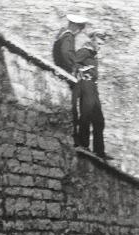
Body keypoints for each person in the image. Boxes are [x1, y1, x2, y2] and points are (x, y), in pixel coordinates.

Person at [52, 13, 88, 146]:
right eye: (79, 29)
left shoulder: (61, 35)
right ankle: (75, 139)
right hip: (67, 76)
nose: (79, 32)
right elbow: (67, 54)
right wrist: (75, 68)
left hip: (63, 73)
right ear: (75, 27)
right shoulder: (68, 37)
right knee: (74, 107)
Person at [74, 31, 108, 160]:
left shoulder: (93, 54)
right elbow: (73, 63)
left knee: (99, 120)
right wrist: (83, 71)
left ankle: (100, 152)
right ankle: (83, 144)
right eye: (98, 43)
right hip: (86, 85)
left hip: (93, 87)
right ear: (92, 40)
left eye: (102, 44)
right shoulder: (84, 51)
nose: (100, 46)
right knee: (86, 114)